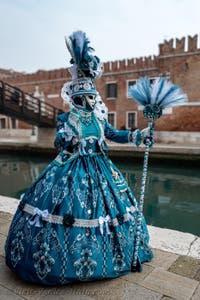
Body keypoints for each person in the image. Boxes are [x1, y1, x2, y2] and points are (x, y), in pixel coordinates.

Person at [5, 31, 153, 285]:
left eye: (91, 98)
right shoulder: (66, 119)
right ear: (73, 98)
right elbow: (59, 143)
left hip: (100, 169)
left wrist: (140, 136)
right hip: (70, 169)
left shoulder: (98, 118)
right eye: (82, 98)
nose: (87, 101)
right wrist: (71, 140)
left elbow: (114, 135)